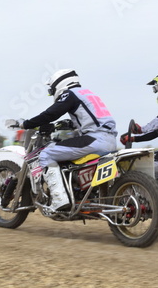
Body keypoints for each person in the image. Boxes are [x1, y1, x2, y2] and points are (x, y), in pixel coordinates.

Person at [20, 69, 117, 211]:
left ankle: (60, 200)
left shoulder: (70, 93)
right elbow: (88, 117)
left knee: (46, 154)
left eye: (51, 90)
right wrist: (66, 124)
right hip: (110, 140)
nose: (52, 93)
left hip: (95, 139)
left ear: (59, 84)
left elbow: (51, 113)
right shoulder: (87, 93)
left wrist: (26, 123)